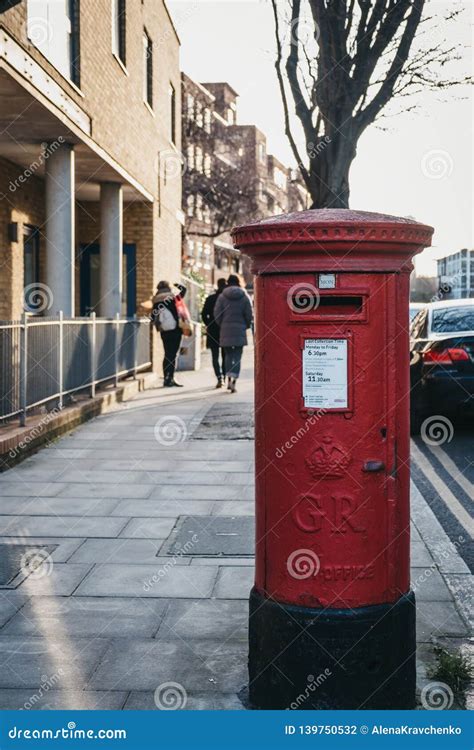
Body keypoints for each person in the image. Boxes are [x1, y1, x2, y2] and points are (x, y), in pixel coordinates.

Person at [214, 274, 253, 393]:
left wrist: (222, 324)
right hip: (239, 329)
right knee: (237, 356)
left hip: (225, 329)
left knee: (228, 355)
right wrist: (245, 325)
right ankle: (234, 380)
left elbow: (217, 313)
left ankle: (228, 377)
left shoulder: (222, 296)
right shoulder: (244, 295)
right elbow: (249, 313)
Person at [151, 280, 186, 387]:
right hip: (176, 330)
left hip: (164, 331)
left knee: (167, 354)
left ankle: (166, 378)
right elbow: (184, 290)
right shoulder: (173, 298)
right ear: (168, 288)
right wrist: (177, 284)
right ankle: (170, 378)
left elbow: (152, 317)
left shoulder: (156, 301)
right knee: (173, 355)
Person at [201, 278, 227, 388]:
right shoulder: (227, 299)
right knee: (225, 355)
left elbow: (203, 314)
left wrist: (209, 324)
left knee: (215, 356)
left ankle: (219, 377)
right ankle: (225, 377)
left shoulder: (210, 298)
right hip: (225, 330)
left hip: (212, 330)